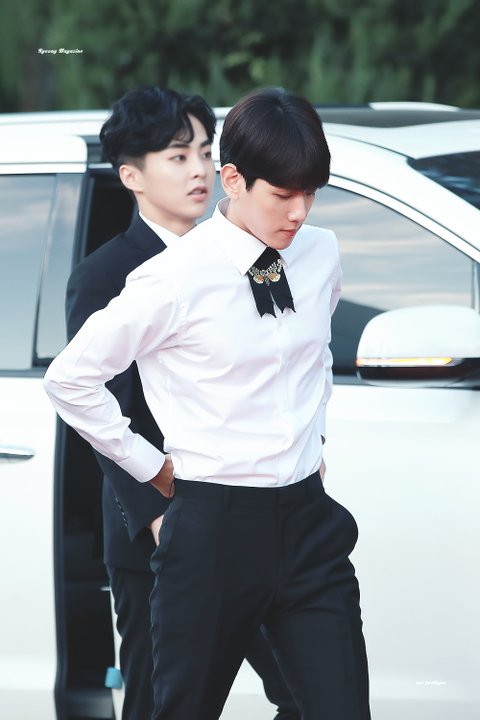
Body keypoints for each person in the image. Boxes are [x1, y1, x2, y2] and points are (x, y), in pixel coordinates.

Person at [45, 87, 370, 720]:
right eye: (283, 194)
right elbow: (71, 380)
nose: (299, 212)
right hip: (212, 530)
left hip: (308, 525)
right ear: (234, 180)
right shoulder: (173, 276)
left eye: (311, 193)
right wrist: (150, 467)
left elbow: (315, 355)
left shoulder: (320, 251)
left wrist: (313, 440)